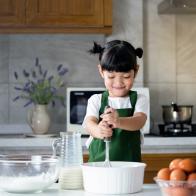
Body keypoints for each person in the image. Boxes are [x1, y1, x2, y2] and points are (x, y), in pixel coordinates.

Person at [82, 40, 148, 162]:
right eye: (111, 77)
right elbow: (89, 123)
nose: (118, 83)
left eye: (126, 76)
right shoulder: (96, 100)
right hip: (99, 167)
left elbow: (139, 121)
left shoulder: (139, 99)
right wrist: (98, 130)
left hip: (129, 167)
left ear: (136, 71)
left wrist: (118, 121)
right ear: (101, 71)